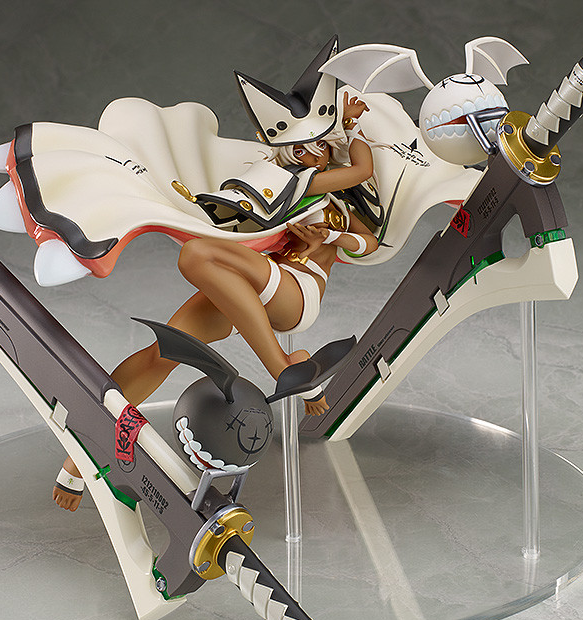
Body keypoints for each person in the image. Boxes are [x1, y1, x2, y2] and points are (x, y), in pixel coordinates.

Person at [54, 37, 380, 510]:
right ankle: (80, 454)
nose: (311, 158)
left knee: (197, 256)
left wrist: (332, 232)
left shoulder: (330, 197)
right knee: (162, 353)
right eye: (299, 150)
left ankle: (285, 367)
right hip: (249, 283)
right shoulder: (282, 181)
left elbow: (367, 232)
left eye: (316, 147)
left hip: (295, 290)